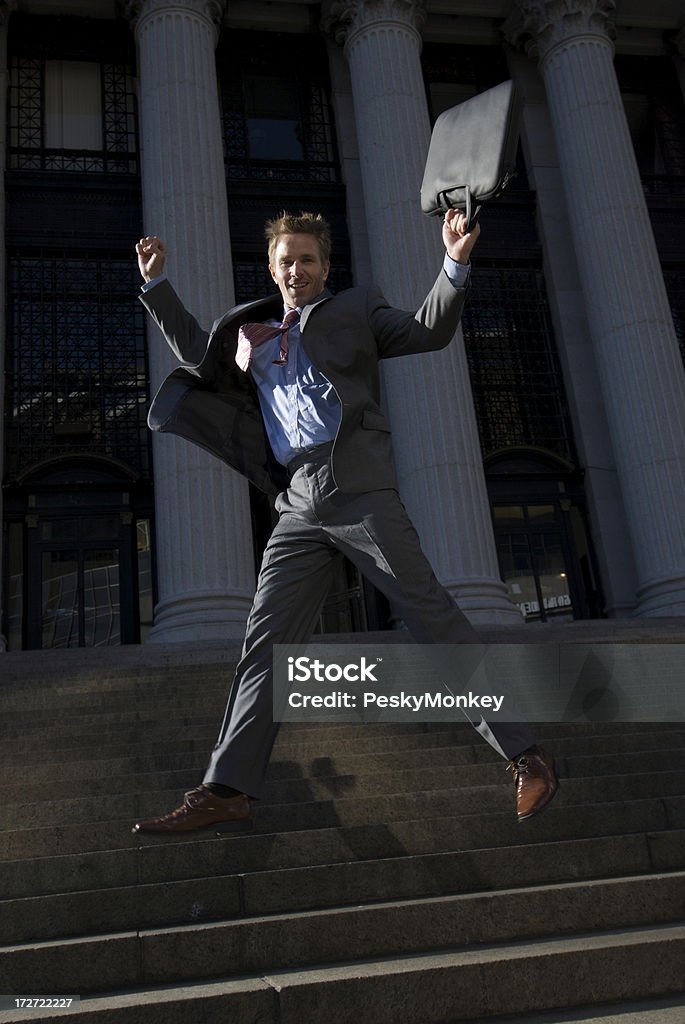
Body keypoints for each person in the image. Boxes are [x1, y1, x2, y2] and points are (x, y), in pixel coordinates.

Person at [132, 210, 558, 834]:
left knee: (432, 616)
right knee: (265, 645)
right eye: (286, 261)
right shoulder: (252, 335)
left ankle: (526, 755)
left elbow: (425, 332)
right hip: (297, 503)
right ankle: (226, 788)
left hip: (358, 489)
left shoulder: (356, 309)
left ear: (325, 268)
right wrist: (156, 285)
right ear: (272, 271)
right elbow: (199, 353)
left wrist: (454, 263)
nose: (296, 270)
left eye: (307, 260)